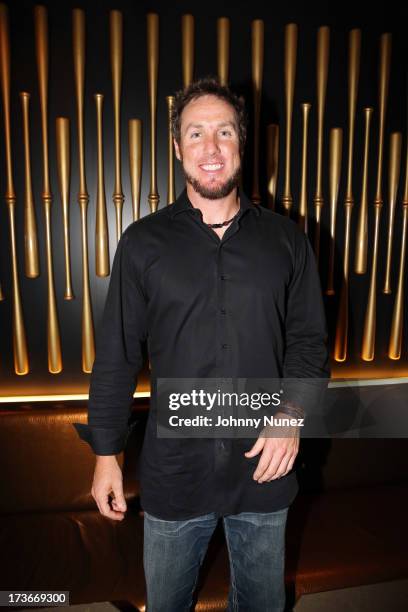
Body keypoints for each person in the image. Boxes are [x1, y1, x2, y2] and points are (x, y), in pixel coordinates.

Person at [74, 76, 330, 611]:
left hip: (264, 468)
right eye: (195, 134)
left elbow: (308, 341)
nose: (210, 148)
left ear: (242, 143)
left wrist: (291, 415)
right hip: (175, 474)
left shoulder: (288, 240)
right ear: (176, 147)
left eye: (224, 132)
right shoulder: (142, 243)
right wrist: (106, 454)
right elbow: (117, 354)